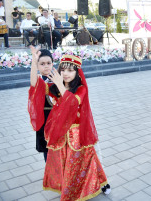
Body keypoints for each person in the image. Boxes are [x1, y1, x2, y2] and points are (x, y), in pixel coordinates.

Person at [28, 51, 111, 199]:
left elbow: (72, 103)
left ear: (77, 73)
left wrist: (60, 84)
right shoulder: (55, 87)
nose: (66, 73)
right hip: (60, 135)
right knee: (69, 166)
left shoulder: (81, 89)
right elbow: (35, 84)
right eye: (63, 70)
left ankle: (91, 186)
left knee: (86, 162)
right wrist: (34, 64)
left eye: (70, 70)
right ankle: (82, 187)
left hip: (77, 136)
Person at [28, 47, 54, 162]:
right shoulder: (38, 81)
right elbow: (33, 81)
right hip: (44, 119)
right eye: (42, 64)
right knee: (46, 149)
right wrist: (34, 61)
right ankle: (49, 174)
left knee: (59, 147)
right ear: (38, 66)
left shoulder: (58, 78)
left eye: (49, 63)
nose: (46, 66)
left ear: (53, 64)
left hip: (57, 118)